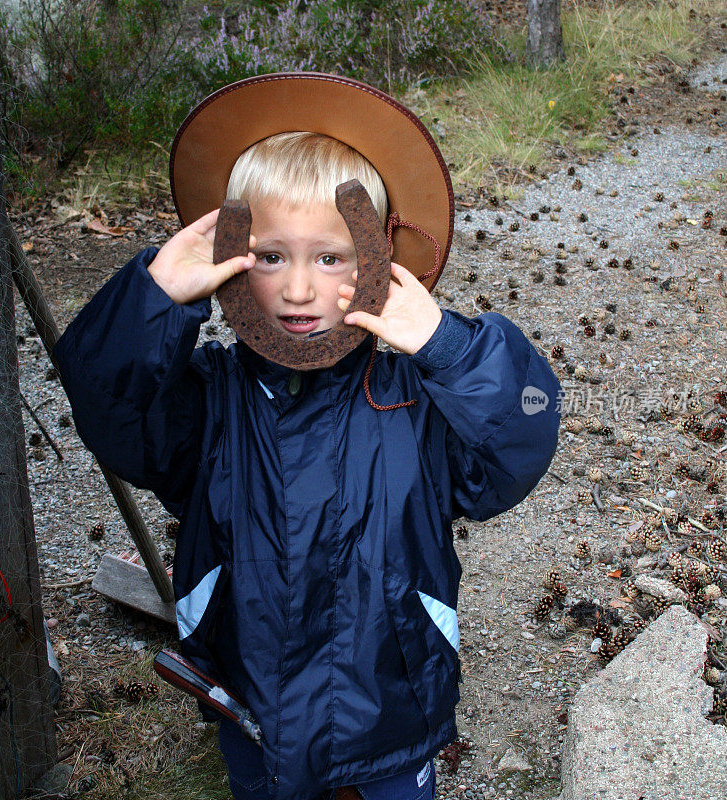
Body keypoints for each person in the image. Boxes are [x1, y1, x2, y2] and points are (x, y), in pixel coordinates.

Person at [52, 73, 561, 800]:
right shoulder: (204, 404)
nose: (297, 291)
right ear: (230, 257)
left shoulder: (416, 402)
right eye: (268, 256)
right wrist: (152, 301)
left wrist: (449, 348)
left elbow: (516, 444)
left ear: (378, 258)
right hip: (246, 705)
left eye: (330, 257)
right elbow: (110, 408)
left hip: (389, 717)